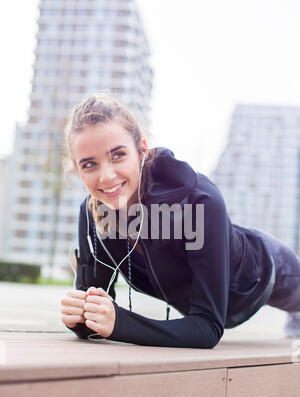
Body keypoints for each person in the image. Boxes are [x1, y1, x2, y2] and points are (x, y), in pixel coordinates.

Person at [60, 92, 300, 348]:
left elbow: (207, 327)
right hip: (207, 291)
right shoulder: (94, 213)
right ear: (76, 168)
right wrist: (79, 318)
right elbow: (96, 317)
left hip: (261, 269)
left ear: (141, 148)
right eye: (89, 165)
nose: (106, 177)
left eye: (118, 155)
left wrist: (121, 324)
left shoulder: (200, 201)